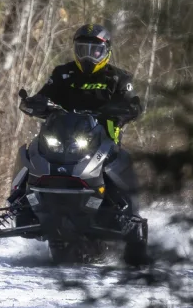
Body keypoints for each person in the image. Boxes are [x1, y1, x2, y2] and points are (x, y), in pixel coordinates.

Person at [12, 23, 143, 214]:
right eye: (83, 50)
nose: (88, 56)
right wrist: (35, 103)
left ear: (106, 51)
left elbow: (132, 103)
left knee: (122, 160)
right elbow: (45, 94)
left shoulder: (118, 78)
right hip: (62, 136)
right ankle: (18, 201)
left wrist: (126, 109)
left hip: (102, 139)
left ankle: (128, 212)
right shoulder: (63, 74)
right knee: (29, 152)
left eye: (95, 51)